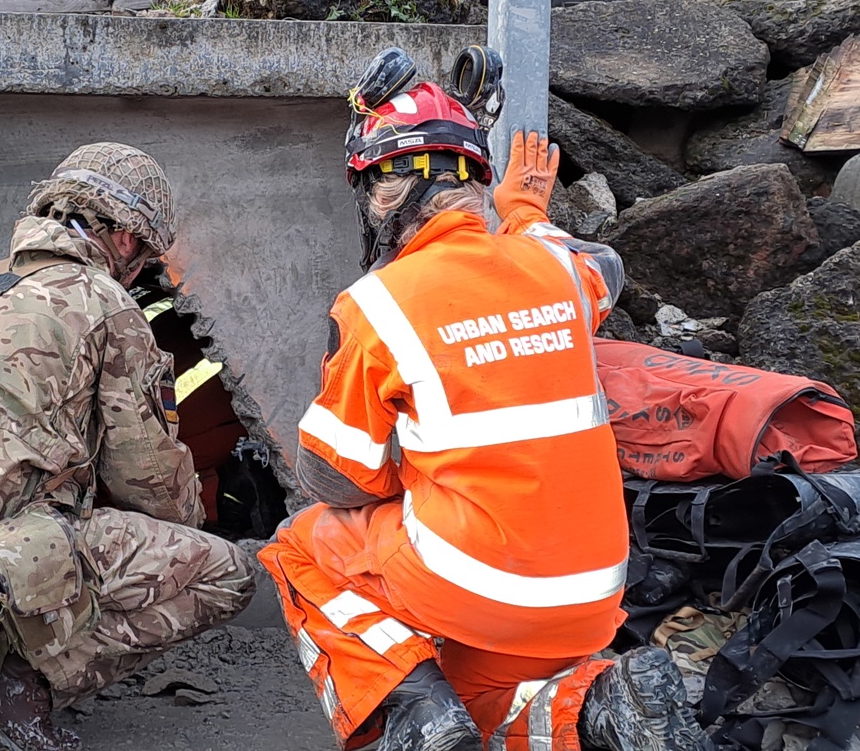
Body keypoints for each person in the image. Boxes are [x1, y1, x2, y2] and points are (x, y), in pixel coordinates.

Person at [258, 65, 709, 751]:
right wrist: (525, 212)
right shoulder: (556, 268)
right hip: (590, 594)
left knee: (300, 545)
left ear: (381, 195)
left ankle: (413, 712)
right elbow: (604, 266)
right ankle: (600, 706)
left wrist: (418, 478)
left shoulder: (377, 304)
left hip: (473, 581)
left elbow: (334, 479)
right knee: (482, 707)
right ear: (475, 185)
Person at [0, 142, 254, 750]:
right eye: (145, 256)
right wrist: (188, 528)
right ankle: (18, 683)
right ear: (123, 239)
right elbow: (151, 481)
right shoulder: (106, 302)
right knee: (225, 573)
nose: (141, 271)